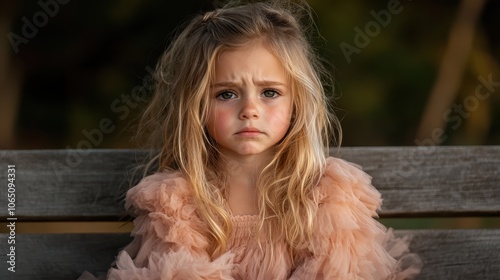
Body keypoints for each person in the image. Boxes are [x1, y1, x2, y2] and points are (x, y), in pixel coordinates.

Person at [81, 1, 422, 279]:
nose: (250, 110)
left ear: (297, 102)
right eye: (227, 94)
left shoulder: (324, 192)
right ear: (196, 105)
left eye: (269, 92)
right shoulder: (178, 201)